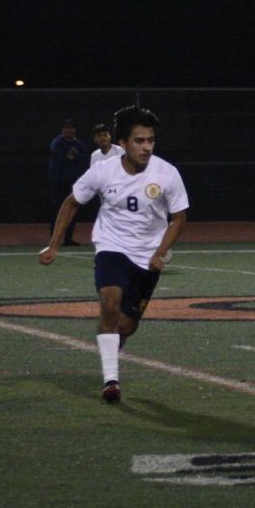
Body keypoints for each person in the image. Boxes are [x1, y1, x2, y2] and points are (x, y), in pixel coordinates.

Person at [38, 106, 189, 404]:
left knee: (127, 324)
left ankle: (111, 353)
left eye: (150, 140)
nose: (146, 147)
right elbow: (71, 203)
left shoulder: (167, 173)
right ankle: (111, 380)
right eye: (139, 140)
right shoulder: (102, 171)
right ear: (123, 143)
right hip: (111, 246)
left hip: (148, 257)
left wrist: (161, 252)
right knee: (110, 303)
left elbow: (179, 218)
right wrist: (54, 244)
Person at [48, 118, 88, 246]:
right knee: (57, 210)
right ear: (63, 129)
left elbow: (84, 158)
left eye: (72, 127)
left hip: (74, 183)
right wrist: (72, 158)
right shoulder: (57, 142)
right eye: (67, 127)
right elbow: (60, 157)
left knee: (73, 210)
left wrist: (72, 157)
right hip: (58, 182)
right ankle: (54, 238)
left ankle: (68, 238)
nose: (70, 130)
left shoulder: (78, 144)